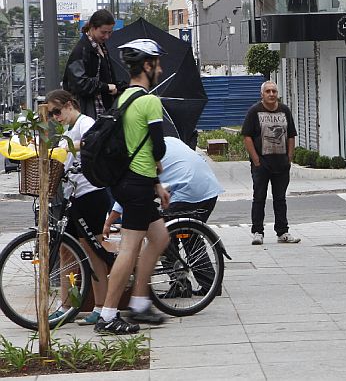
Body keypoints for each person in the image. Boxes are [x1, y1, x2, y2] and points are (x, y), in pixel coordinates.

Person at [95, 39, 171, 335]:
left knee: (160, 237)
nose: (160, 70)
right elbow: (158, 148)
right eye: (157, 64)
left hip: (129, 181)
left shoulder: (123, 97)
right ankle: (107, 315)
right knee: (129, 249)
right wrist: (156, 170)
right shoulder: (150, 101)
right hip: (136, 185)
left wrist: (157, 184)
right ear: (147, 65)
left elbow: (135, 146)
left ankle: (139, 303)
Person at [105, 136, 223, 297]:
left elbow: (132, 192)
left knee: (162, 237)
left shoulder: (140, 155)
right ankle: (209, 285)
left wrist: (108, 222)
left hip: (188, 191)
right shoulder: (170, 140)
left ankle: (180, 284)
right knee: (189, 236)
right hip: (209, 189)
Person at [45, 89, 112, 326]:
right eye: (51, 114)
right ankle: (66, 306)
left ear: (69, 105)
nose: (55, 117)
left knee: (92, 251)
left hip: (91, 194)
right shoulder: (66, 131)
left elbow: (93, 143)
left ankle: (101, 306)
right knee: (66, 251)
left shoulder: (86, 123)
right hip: (72, 196)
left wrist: (68, 147)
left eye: (57, 111)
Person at [242, 80, 300, 246]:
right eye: (268, 91)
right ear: (262, 94)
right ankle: (258, 232)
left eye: (274, 91)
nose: (271, 94)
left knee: (280, 199)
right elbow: (247, 136)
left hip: (281, 164)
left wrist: (289, 157)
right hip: (261, 165)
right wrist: (256, 160)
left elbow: (291, 135)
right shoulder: (254, 111)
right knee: (259, 198)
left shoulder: (284, 110)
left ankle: (282, 232)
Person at [62, 9, 128, 119]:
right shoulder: (82, 50)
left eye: (110, 32)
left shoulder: (100, 46)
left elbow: (106, 78)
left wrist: (117, 87)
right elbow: (79, 83)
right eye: (103, 32)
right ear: (92, 28)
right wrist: (107, 87)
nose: (107, 36)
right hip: (89, 112)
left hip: (101, 109)